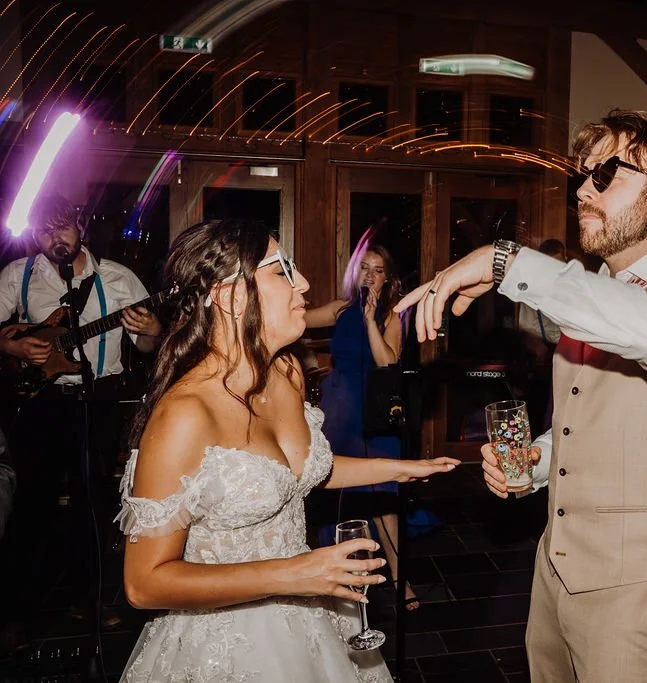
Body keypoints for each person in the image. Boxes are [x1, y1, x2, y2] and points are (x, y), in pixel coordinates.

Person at [396, 109, 647, 682]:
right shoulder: (591, 296)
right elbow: (584, 419)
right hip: (553, 569)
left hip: (636, 593)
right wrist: (538, 462)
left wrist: (507, 259)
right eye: (581, 177)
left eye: (606, 174)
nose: (585, 191)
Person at [115, 219, 458, 681]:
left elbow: (305, 470)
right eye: (281, 271)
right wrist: (293, 574)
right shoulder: (185, 414)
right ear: (230, 296)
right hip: (227, 638)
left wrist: (401, 468)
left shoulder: (286, 373)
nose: (305, 284)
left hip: (311, 610)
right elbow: (144, 583)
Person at [0, 194, 162, 645]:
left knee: (93, 504)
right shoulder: (20, 275)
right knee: (33, 503)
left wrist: (150, 333)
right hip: (40, 402)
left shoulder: (118, 278)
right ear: (35, 235)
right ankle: (18, 610)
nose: (56, 238)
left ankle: (89, 600)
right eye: (46, 230)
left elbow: (148, 346)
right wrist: (12, 347)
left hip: (99, 398)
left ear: (80, 229)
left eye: (63, 228)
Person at [304, 243, 419, 610]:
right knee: (333, 492)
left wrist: (371, 321)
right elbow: (297, 321)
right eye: (364, 267)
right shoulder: (340, 309)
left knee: (382, 491)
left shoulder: (394, 313)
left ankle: (401, 580)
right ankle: (335, 579)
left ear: (389, 278)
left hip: (372, 410)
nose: (368, 274)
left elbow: (388, 360)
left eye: (377, 269)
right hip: (339, 408)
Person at [517, 238, 565, 432]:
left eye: (559, 263)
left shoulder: (573, 287)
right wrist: (538, 348)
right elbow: (525, 327)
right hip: (544, 358)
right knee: (543, 416)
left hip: (568, 354)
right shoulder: (532, 289)